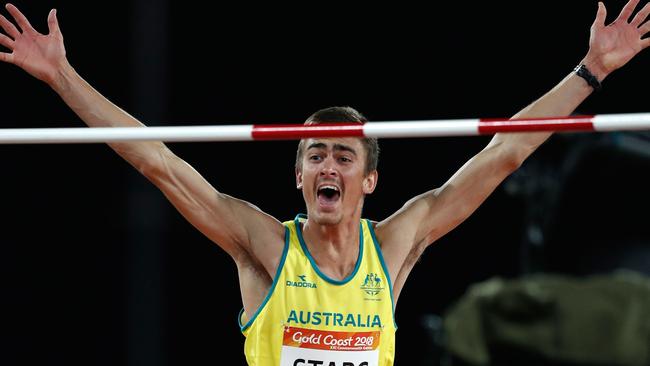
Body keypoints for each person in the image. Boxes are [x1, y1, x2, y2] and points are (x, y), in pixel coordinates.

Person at [1, 1, 648, 365]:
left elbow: (505, 153)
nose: (327, 168)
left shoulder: (395, 245)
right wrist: (62, 76)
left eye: (342, 157)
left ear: (369, 180)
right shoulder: (266, 246)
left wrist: (590, 70)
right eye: (314, 156)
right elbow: (157, 162)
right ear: (298, 174)